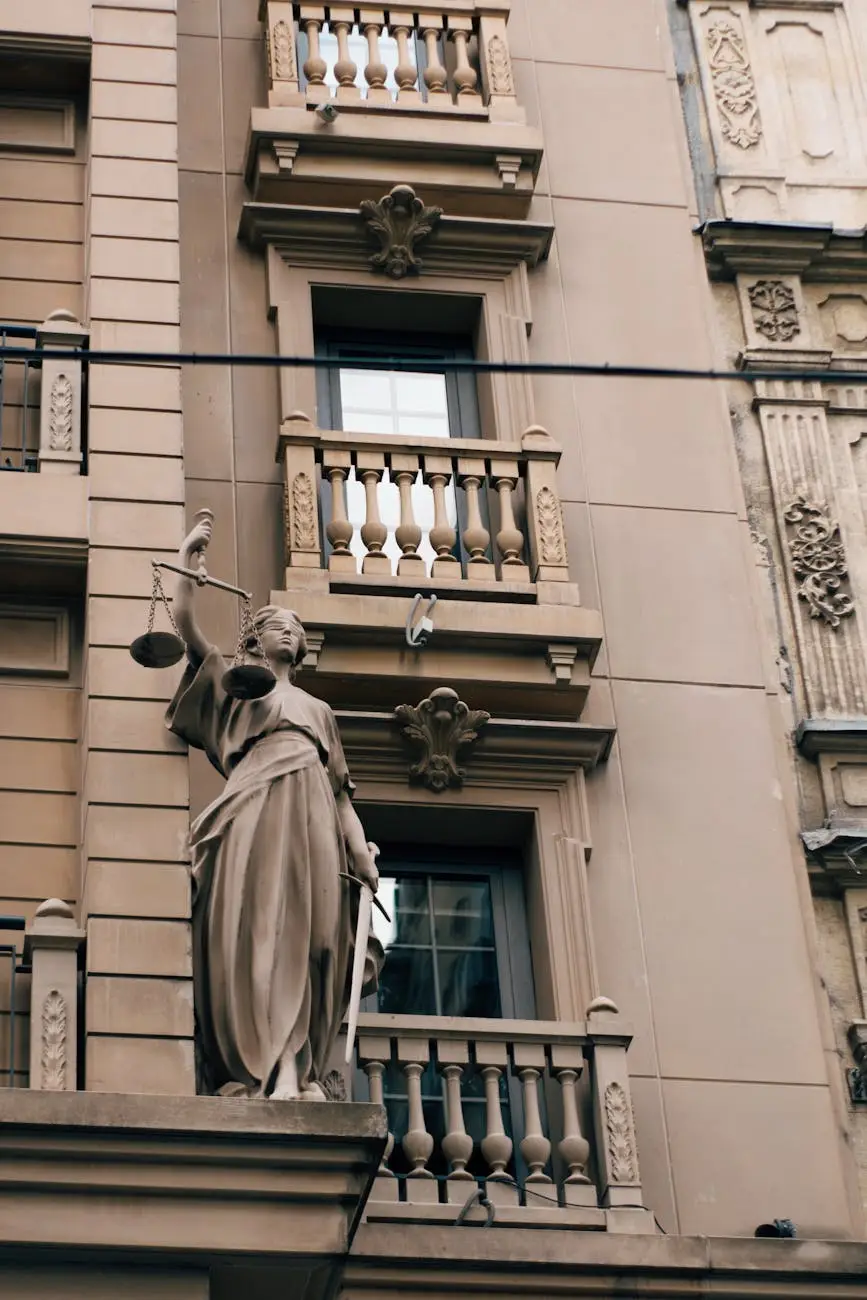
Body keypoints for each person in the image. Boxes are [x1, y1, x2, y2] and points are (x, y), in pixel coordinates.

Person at [165, 513, 381, 1100]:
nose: (287, 632)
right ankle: (271, 1068)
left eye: (294, 628)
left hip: (310, 809)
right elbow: (186, 628)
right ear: (255, 639)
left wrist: (360, 855)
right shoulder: (240, 688)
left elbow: (340, 794)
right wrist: (189, 567)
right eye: (276, 625)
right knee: (263, 928)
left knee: (312, 934)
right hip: (255, 809)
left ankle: (297, 1066)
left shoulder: (318, 710)